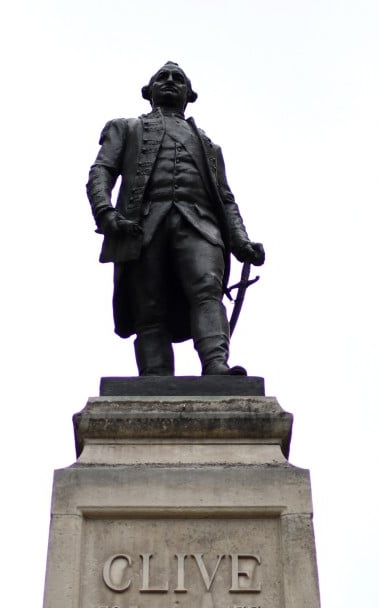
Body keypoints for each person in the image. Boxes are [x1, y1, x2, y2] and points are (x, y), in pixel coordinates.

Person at [86, 62, 265, 376]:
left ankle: (216, 366)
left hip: (199, 224)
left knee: (207, 288)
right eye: (162, 77)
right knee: (148, 308)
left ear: (190, 94)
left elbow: (225, 198)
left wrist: (240, 241)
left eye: (178, 79)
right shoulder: (125, 127)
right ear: (149, 91)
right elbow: (101, 171)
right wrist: (106, 213)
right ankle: (155, 378)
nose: (170, 81)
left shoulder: (209, 146)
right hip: (142, 225)